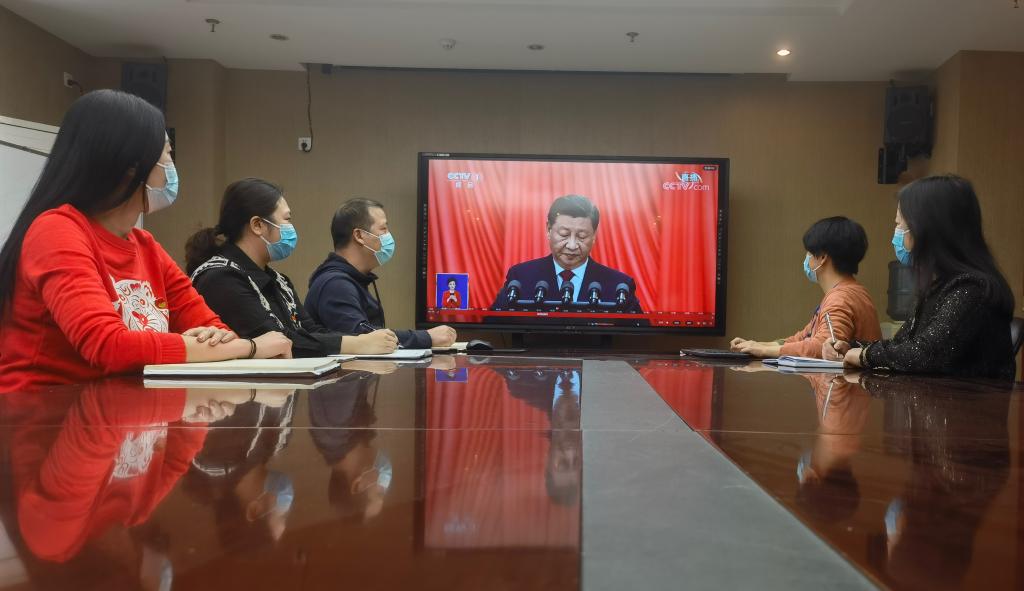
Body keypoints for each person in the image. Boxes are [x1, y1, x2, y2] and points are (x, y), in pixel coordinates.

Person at [0, 90, 291, 393]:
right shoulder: (56, 231)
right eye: (167, 153)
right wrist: (251, 347)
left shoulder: (145, 245)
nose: (172, 166)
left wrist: (216, 344)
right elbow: (109, 346)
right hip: (44, 413)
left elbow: (215, 330)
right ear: (131, 165)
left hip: (122, 411)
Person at [830, 175, 1016, 380]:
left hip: (966, 401)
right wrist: (852, 347)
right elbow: (903, 345)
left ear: (926, 230)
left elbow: (925, 354)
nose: (896, 233)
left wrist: (865, 356)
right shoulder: (939, 286)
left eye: (900, 225)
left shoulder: (972, 289)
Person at [185, 179, 398, 357]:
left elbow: (310, 331)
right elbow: (277, 342)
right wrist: (356, 344)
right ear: (257, 225)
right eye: (287, 220)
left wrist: (362, 341)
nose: (291, 228)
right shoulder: (221, 277)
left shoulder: (279, 281)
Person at [305, 198, 457, 349]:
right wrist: (426, 337)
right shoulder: (335, 284)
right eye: (383, 229)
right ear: (359, 236)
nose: (388, 236)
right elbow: (363, 338)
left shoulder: (353, 280)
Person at [731, 216, 881, 358]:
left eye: (809, 252)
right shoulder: (850, 291)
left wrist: (764, 351)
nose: (807, 258)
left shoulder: (841, 298)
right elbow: (803, 338)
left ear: (822, 257)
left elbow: (823, 347)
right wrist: (757, 345)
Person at [490, 194, 642, 312]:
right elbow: (494, 330)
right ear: (548, 230)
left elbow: (639, 337)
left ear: (594, 235)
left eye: (582, 236)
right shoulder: (521, 277)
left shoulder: (619, 285)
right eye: (564, 234)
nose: (572, 245)